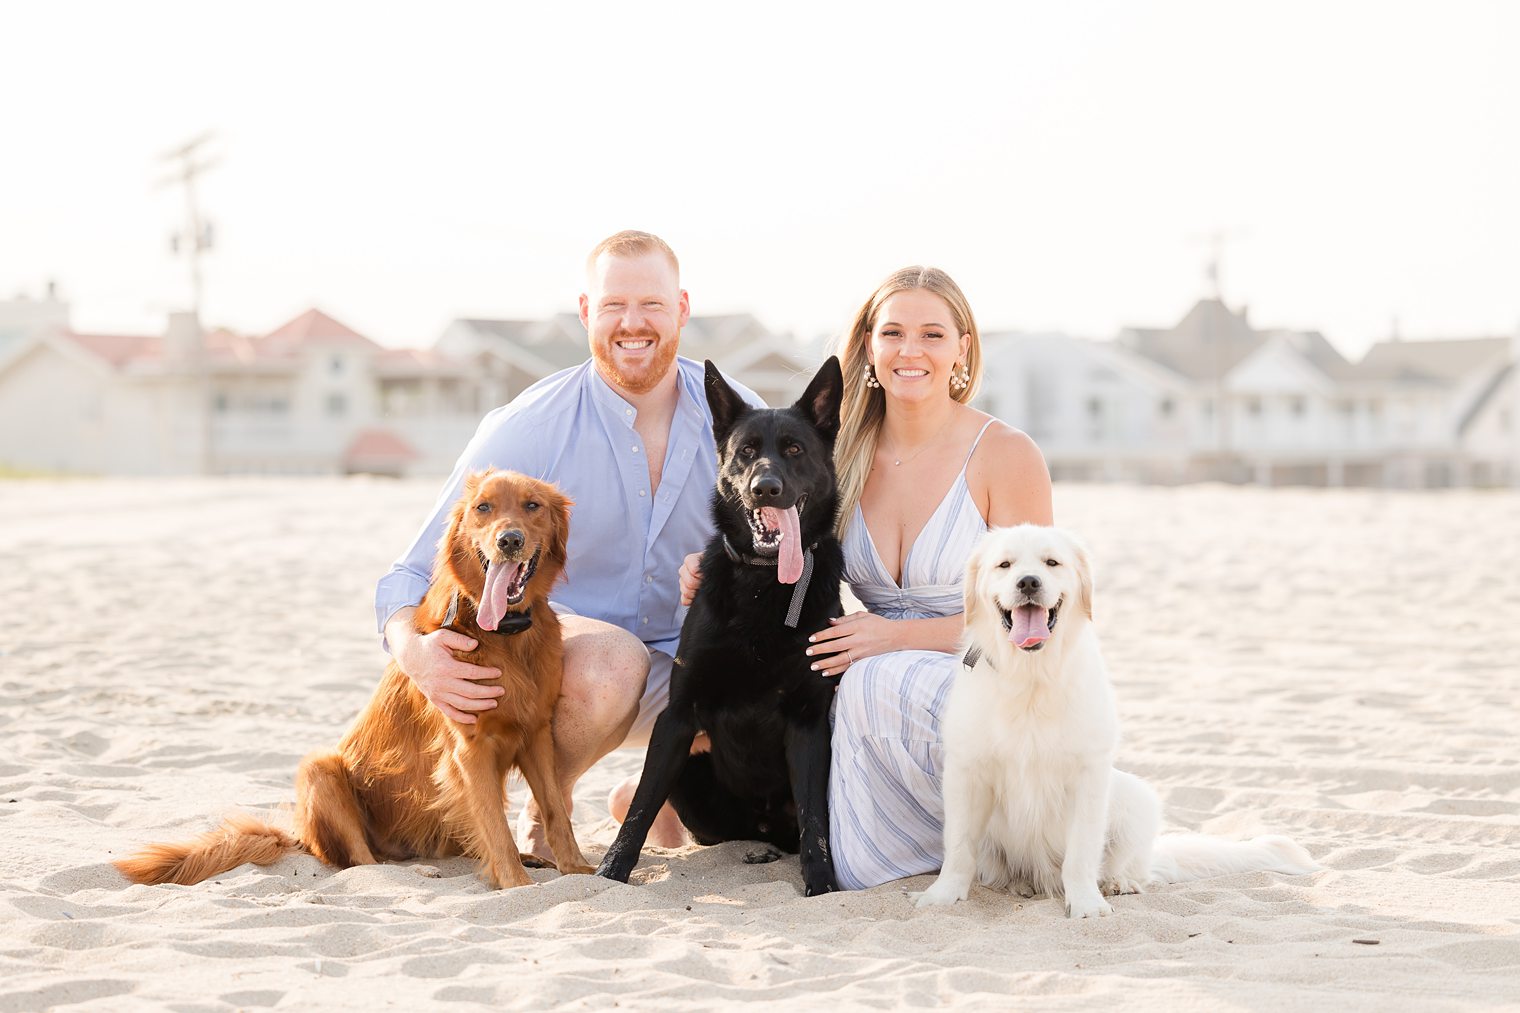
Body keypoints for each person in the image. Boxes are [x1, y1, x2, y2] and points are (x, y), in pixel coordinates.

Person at [376, 230, 761, 859]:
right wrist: (414, 653)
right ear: (587, 313)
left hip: (693, 666)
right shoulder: (530, 426)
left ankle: (658, 794)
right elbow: (411, 571)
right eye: (613, 306)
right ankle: (543, 809)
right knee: (617, 661)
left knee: (791, 679)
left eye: (653, 306)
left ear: (682, 309)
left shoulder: (741, 416)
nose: (632, 324)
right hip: (575, 672)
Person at [683, 266, 1052, 889]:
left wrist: (895, 639)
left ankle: (1006, 835)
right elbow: (776, 536)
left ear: (963, 347)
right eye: (894, 333)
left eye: (933, 334)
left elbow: (1041, 616)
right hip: (866, 668)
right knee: (843, 842)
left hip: (987, 666)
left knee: (865, 678)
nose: (912, 351)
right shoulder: (838, 454)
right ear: (869, 349)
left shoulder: (1005, 453)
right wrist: (715, 561)